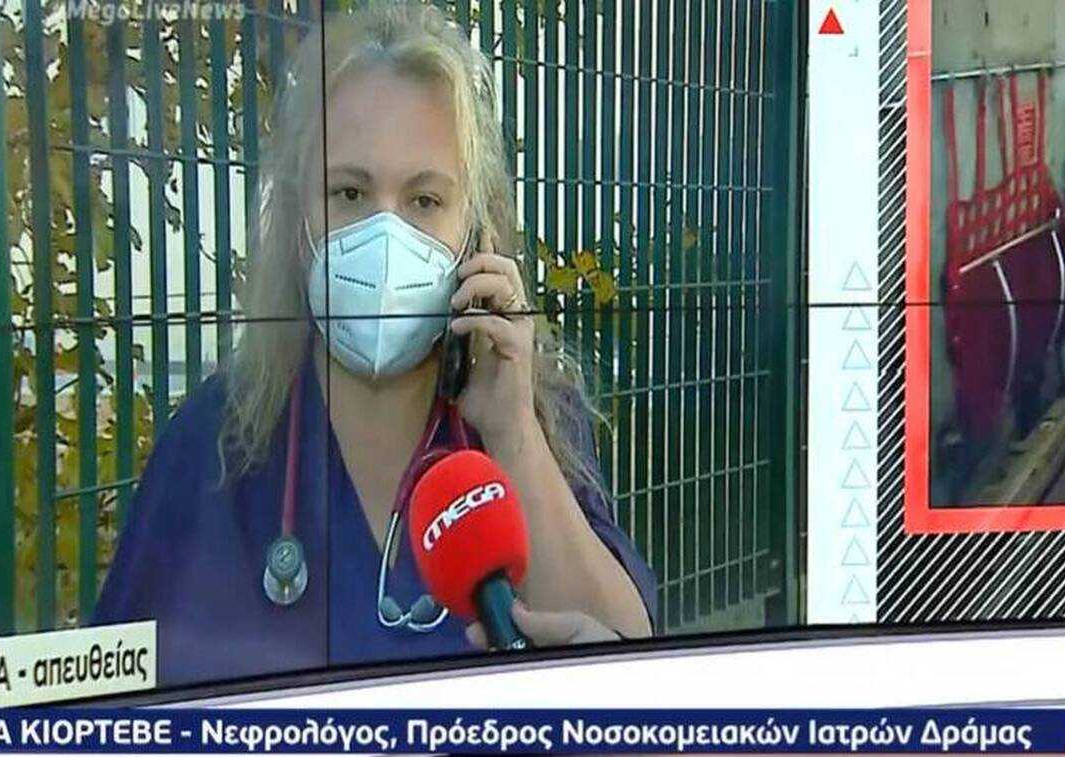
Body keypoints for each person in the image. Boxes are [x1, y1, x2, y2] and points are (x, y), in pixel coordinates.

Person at [93, 0, 656, 687]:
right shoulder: (215, 442)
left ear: (475, 232)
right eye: (350, 193)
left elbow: (632, 665)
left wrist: (512, 433)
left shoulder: (531, 417)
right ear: (300, 219)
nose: (385, 238)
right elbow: (117, 699)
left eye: (425, 201)